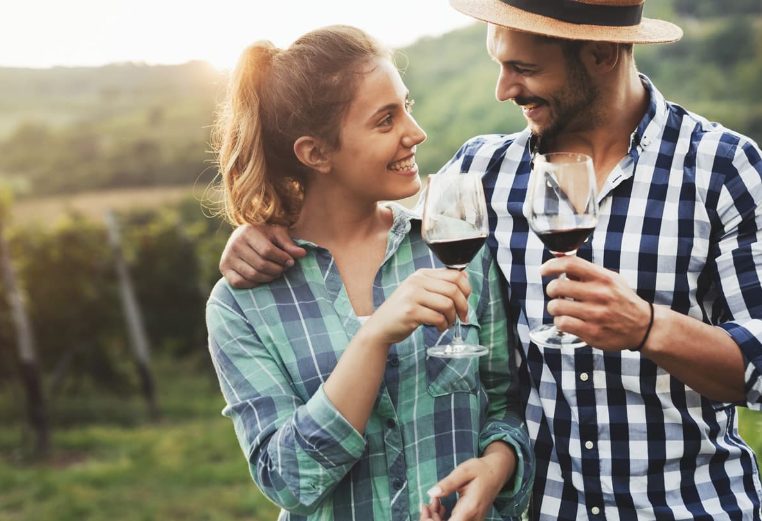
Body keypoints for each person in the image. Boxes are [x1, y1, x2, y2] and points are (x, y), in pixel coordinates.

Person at [216, 2, 762, 520]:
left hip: (694, 505)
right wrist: (259, 227)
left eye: (523, 68)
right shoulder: (482, 173)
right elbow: (358, 216)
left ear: (600, 55)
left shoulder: (721, 168)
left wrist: (648, 327)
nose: (504, 89)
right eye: (499, 65)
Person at [205, 25, 534, 521]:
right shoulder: (242, 304)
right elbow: (287, 481)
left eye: (407, 105)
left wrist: (497, 465)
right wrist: (373, 337)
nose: (415, 132)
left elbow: (506, 402)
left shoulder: (453, 249)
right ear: (316, 153)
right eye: (386, 120)